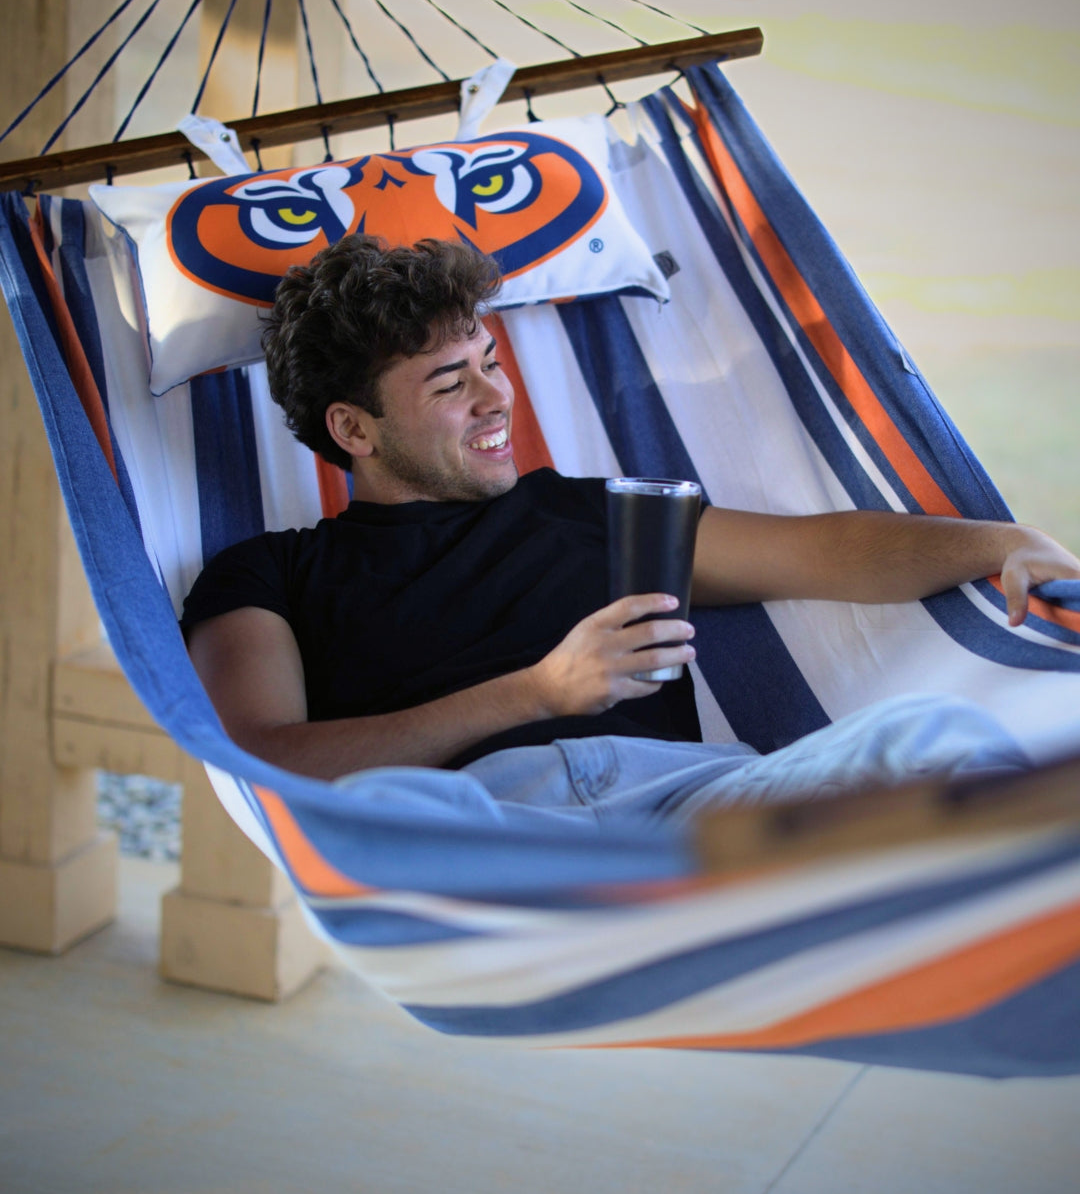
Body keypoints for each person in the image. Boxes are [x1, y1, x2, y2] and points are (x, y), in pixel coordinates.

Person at [182, 235, 1080, 823]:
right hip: (474, 833)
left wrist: (1000, 543)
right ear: (353, 429)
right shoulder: (269, 575)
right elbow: (262, 756)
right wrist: (537, 691)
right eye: (452, 384)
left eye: (492, 364)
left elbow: (826, 551)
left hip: (697, 807)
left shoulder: (588, 510)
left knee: (934, 740)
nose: (500, 398)